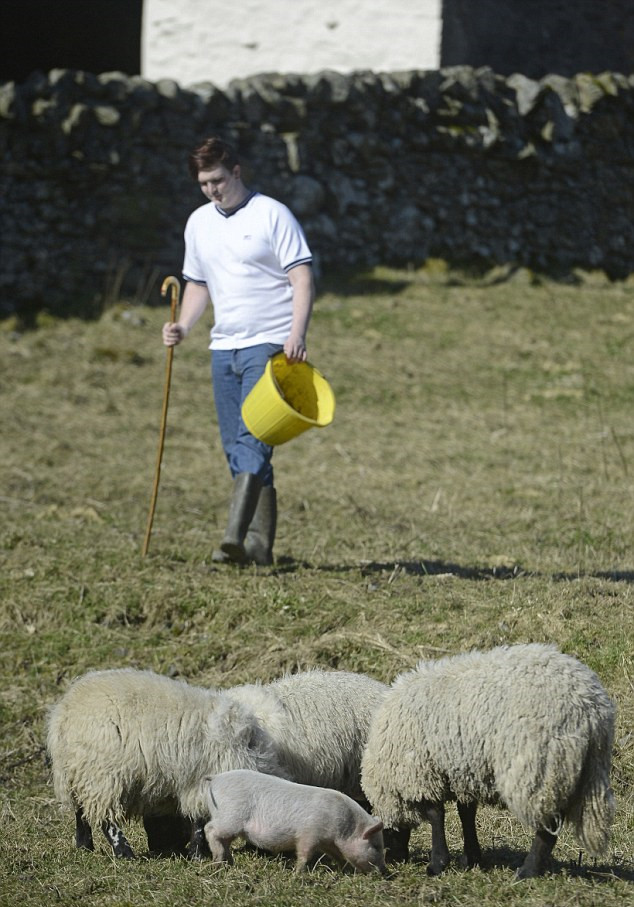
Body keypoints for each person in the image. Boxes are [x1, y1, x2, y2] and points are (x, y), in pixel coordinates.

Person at [162, 136, 314, 566]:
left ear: (236, 172)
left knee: (255, 437)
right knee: (235, 445)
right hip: (223, 346)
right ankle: (259, 547)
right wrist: (183, 326)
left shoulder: (272, 214)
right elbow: (198, 283)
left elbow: (301, 277)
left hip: (268, 342)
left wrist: (296, 334)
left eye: (217, 180)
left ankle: (233, 536)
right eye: (203, 183)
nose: (211, 190)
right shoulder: (198, 223)